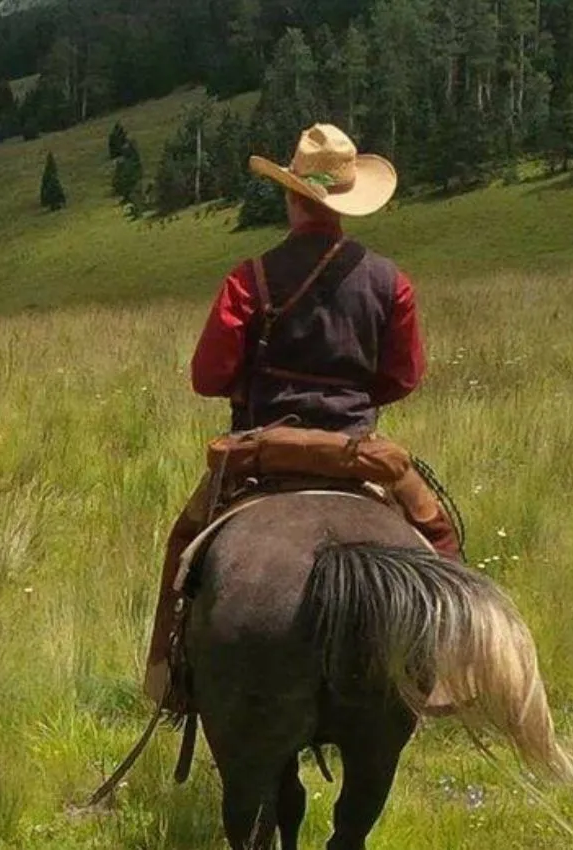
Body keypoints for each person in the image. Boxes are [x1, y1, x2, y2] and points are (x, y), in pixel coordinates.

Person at [143, 124, 465, 711]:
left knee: (185, 543)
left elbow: (207, 378)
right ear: (345, 204)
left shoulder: (251, 279)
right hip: (357, 452)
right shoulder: (392, 283)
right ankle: (446, 666)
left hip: (260, 450)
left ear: (291, 195)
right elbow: (403, 378)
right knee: (439, 534)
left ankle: (169, 675)